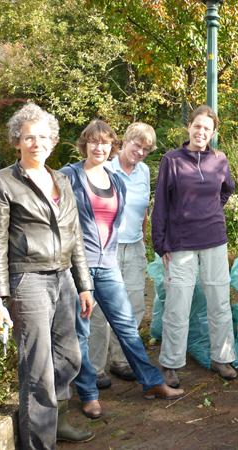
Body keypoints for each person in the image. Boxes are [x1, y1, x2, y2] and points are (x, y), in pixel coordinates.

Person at [0, 102, 95, 447]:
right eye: (29, 137)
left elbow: (74, 236)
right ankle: (39, 440)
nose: (36, 143)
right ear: (17, 141)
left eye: (43, 136)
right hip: (27, 280)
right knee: (38, 370)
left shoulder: (61, 179)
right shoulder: (1, 183)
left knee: (70, 357)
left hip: (62, 279)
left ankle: (50, 418)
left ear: (53, 141)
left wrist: (84, 286)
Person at [61, 120, 184, 420]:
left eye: (104, 143)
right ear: (84, 144)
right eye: (93, 142)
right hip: (80, 266)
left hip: (109, 262)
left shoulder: (115, 180)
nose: (99, 147)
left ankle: (151, 383)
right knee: (83, 329)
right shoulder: (69, 175)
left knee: (127, 324)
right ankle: (88, 393)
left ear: (111, 146)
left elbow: (121, 220)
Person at [152, 105, 237, 388]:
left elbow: (227, 190)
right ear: (189, 127)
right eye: (197, 126)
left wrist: (212, 209)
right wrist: (160, 242)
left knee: (219, 301)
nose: (202, 132)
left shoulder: (219, 159)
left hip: (214, 239)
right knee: (178, 305)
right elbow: (161, 202)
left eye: (207, 129)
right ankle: (171, 363)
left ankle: (222, 357)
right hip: (181, 242)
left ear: (214, 133)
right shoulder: (172, 160)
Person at [88, 122, 155, 387]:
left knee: (134, 304)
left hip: (135, 246)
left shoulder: (145, 172)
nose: (140, 152)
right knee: (100, 311)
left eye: (146, 149)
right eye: (136, 145)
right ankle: (94, 367)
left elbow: (143, 211)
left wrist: (144, 238)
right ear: (124, 142)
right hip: (107, 248)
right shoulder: (104, 168)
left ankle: (121, 359)